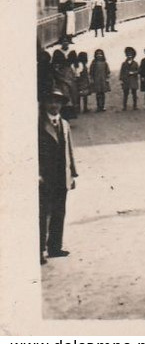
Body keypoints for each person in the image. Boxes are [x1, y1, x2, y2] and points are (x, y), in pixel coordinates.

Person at [39, 88, 78, 263]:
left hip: (62, 176)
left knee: (59, 212)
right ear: (44, 104)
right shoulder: (39, 125)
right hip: (45, 177)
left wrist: (73, 173)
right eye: (51, 101)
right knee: (42, 213)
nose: (54, 105)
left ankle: (55, 247)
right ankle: (39, 250)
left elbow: (69, 150)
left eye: (58, 102)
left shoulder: (64, 124)